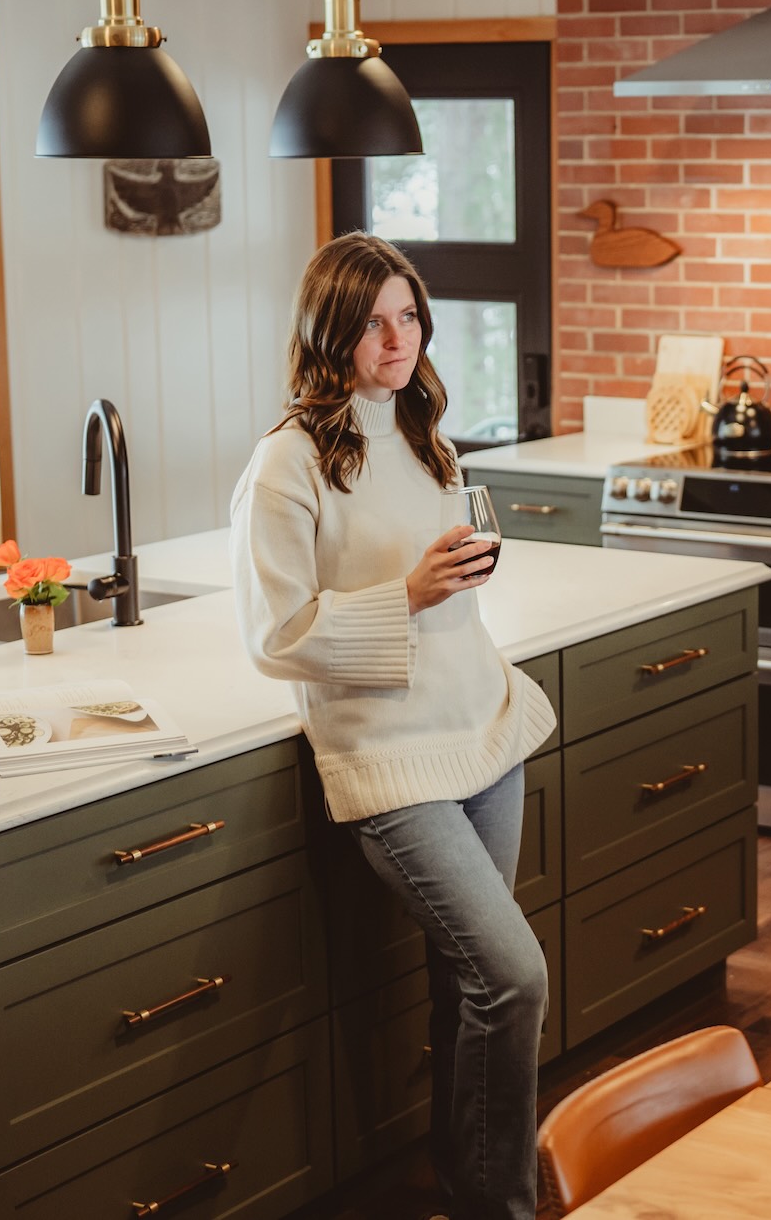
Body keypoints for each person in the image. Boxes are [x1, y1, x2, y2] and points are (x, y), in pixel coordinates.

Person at [231, 232, 555, 1220]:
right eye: (373, 320)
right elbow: (275, 636)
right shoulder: (284, 466)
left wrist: (453, 582)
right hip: (388, 763)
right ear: (329, 329)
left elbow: (439, 587)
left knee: (471, 987)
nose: (397, 337)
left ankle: (469, 1192)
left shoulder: (427, 437)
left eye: (409, 314)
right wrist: (408, 595)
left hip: (482, 734)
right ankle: (504, 1206)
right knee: (513, 974)